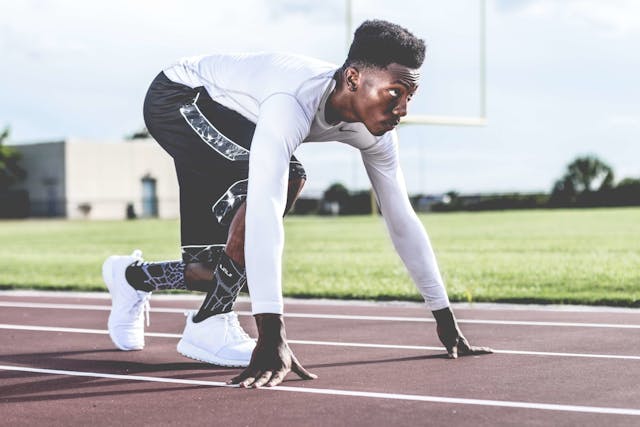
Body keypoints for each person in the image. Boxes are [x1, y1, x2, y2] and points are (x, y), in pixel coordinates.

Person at [102, 19, 492, 389]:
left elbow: (401, 219)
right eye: (395, 92)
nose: (403, 109)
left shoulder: (378, 133)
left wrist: (445, 320)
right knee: (287, 178)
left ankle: (132, 278)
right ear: (353, 78)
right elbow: (266, 208)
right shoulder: (292, 101)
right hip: (179, 97)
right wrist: (271, 335)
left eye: (410, 96)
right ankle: (210, 320)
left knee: (209, 270)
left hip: (234, 116)